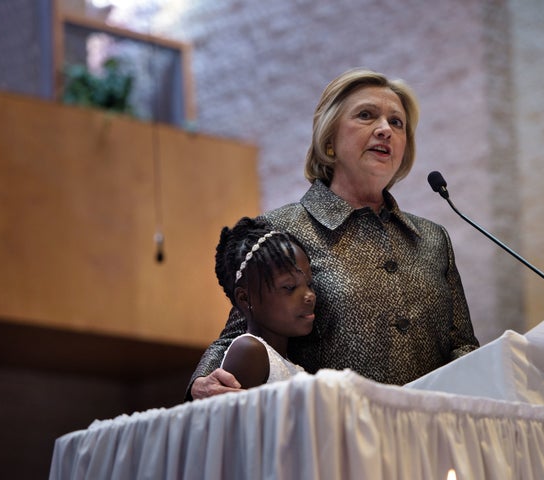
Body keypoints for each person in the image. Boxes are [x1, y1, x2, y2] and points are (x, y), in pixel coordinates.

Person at [187, 67, 479, 400]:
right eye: (367, 116)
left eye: (396, 123)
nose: (385, 129)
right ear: (329, 140)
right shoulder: (283, 229)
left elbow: (462, 346)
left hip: (427, 437)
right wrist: (204, 379)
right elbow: (240, 333)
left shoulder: (433, 239)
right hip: (327, 436)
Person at [214, 217, 315, 389]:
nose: (309, 295)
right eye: (289, 287)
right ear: (245, 298)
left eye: (310, 285)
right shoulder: (249, 351)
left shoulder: (282, 360)